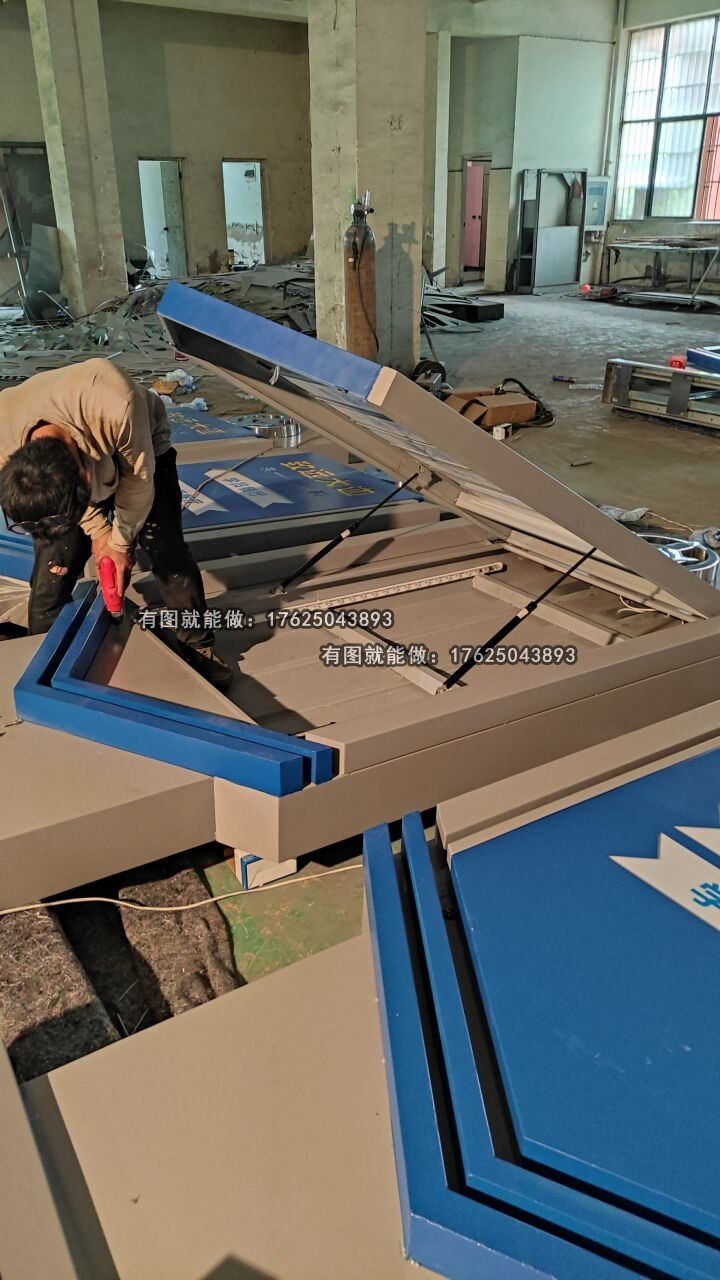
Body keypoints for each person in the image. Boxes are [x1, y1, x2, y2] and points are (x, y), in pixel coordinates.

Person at [0, 358, 232, 690]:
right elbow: (69, 512)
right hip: (69, 472)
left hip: (141, 448)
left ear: (86, 477)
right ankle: (43, 654)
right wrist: (98, 531)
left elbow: (138, 484)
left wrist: (119, 544)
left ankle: (197, 644)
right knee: (55, 561)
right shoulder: (3, 438)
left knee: (165, 548)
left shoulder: (115, 403)